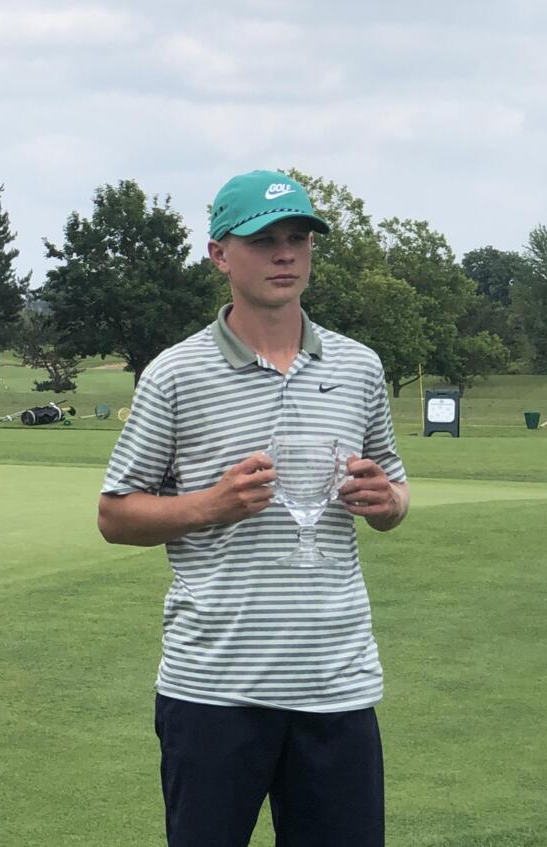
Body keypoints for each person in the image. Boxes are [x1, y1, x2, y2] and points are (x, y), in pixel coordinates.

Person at [98, 170, 409, 846]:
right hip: (214, 687)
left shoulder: (359, 366)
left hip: (336, 682)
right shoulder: (174, 374)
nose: (286, 254)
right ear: (219, 254)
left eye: (298, 238)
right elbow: (115, 513)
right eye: (264, 240)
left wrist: (386, 502)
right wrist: (209, 505)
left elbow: (394, 489)